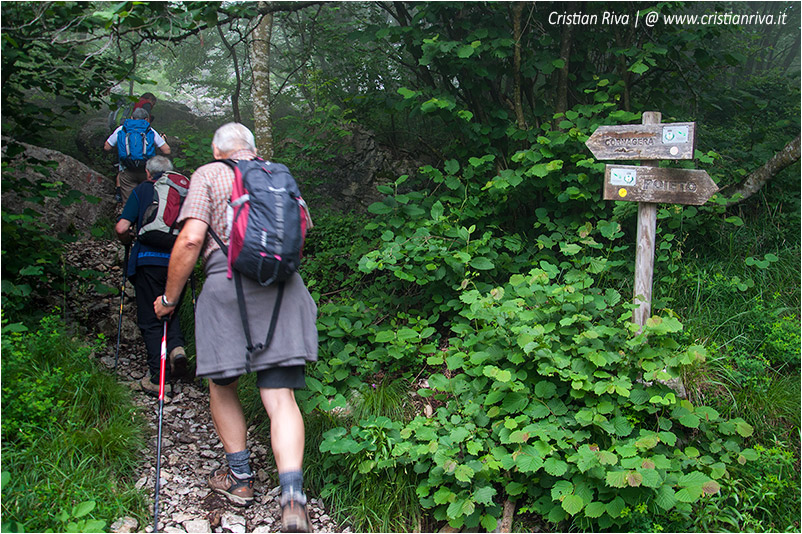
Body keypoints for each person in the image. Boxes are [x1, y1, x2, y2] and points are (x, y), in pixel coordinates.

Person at [153, 123, 318, 532]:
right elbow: (302, 231)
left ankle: (240, 479)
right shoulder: (279, 175)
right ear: (254, 149)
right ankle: (293, 497)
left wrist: (169, 300)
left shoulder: (209, 174)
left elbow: (191, 240)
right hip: (284, 290)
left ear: (216, 149)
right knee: (280, 395)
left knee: (222, 386)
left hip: (226, 288)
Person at [115, 155, 188, 400]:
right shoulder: (183, 191)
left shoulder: (143, 190)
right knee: (171, 308)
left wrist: (127, 242)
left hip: (147, 261)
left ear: (148, 173)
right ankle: (177, 347)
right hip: (179, 261)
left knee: (150, 318)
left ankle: (159, 379)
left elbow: (122, 228)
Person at [104, 107, 171, 205]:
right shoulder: (150, 130)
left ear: (131, 117)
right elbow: (167, 151)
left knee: (128, 203)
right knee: (147, 201)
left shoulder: (122, 129)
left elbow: (107, 147)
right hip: (146, 171)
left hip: (127, 170)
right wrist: (163, 140)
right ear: (146, 119)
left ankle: (128, 216)